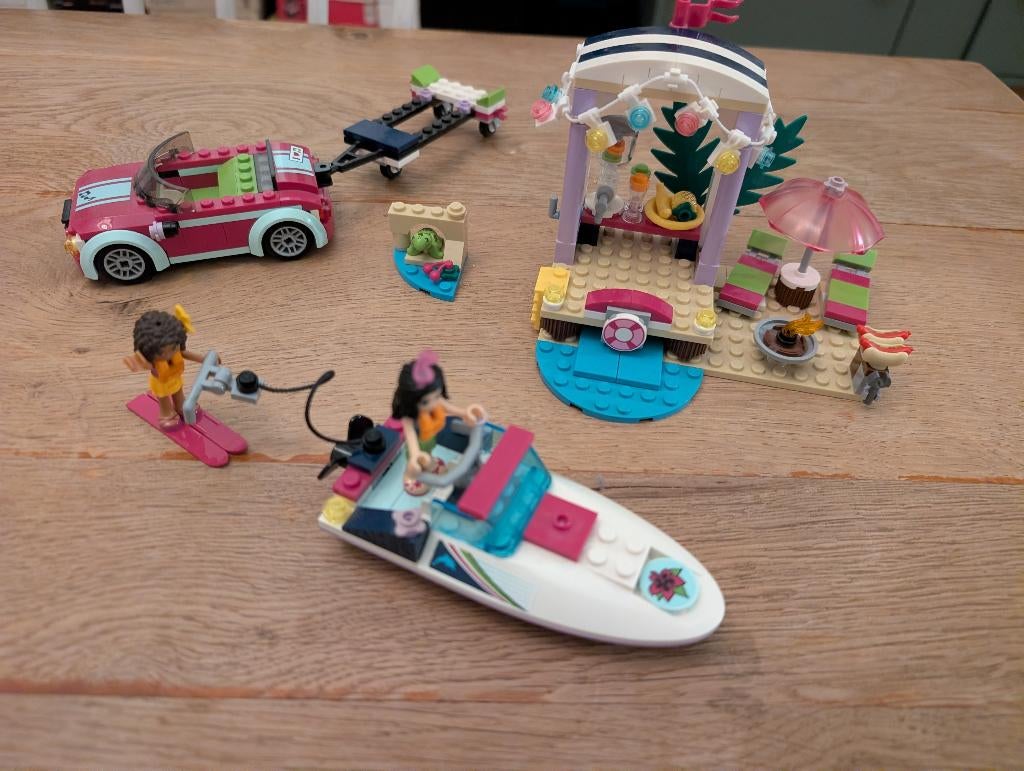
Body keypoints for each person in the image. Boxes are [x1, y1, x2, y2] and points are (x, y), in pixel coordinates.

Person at [391, 349, 485, 496]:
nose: (434, 403)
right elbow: (411, 437)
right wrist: (415, 455)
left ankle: (428, 465)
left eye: (437, 396)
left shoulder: (435, 403)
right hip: (418, 445)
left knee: (429, 456)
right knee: (418, 463)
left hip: (430, 440)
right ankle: (410, 474)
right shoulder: (409, 418)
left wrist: (466, 413)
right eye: (426, 401)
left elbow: (451, 409)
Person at [123, 305, 213, 429]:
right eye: (162, 353)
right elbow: (144, 364)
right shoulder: (152, 360)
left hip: (175, 378)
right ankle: (166, 415)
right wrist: (139, 362)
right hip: (161, 382)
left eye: (174, 347)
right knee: (164, 398)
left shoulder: (177, 349)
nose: (171, 354)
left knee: (178, 392)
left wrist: (205, 359)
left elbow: (184, 353)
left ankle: (181, 406)